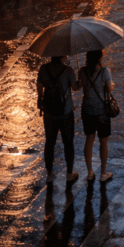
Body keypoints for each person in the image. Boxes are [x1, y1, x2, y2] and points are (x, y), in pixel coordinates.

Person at [36, 55, 79, 186]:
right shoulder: (69, 70)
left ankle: (49, 174)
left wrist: (40, 99)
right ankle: (69, 173)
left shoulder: (43, 69)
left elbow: (39, 85)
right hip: (65, 112)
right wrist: (80, 81)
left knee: (49, 142)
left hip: (49, 113)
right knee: (68, 143)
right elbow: (75, 87)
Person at [78, 49, 115, 184]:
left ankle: (89, 172)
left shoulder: (82, 71)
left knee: (89, 140)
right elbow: (109, 89)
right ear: (100, 56)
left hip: (87, 110)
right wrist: (112, 85)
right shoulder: (105, 71)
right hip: (102, 112)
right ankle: (103, 173)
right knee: (103, 142)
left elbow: (79, 85)